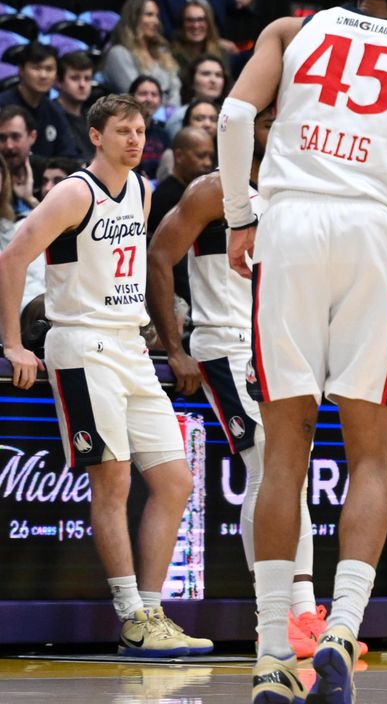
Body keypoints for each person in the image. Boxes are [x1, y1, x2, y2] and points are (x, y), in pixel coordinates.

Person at [217, 0, 387, 702]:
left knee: (284, 449)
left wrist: (238, 214)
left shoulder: (292, 30)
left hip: (287, 228)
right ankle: (340, 630)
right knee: (369, 454)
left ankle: (268, 655)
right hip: (369, 237)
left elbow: (232, 119)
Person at [0, 94, 210, 657]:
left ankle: (153, 611)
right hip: (82, 345)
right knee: (112, 481)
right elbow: (13, 256)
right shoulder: (74, 192)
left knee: (175, 481)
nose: (136, 140)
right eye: (123, 131)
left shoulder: (141, 192)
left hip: (130, 347)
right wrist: (15, 344)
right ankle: (131, 617)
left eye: (141, 130)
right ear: (96, 136)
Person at [146, 104, 332, 659]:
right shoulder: (215, 189)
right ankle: (275, 616)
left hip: (280, 344)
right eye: (272, 120)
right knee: (268, 467)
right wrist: (174, 344)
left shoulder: (299, 189)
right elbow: (158, 255)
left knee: (289, 474)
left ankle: (302, 614)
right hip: (227, 343)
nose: (281, 129)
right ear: (253, 127)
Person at [0, 43, 81, 159]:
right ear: (21, 70)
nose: (43, 75)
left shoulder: (54, 110)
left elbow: (68, 154)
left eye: (49, 69)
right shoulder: (3, 105)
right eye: (36, 68)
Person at [103, 0, 182, 108]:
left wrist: (171, 112)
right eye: (149, 15)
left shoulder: (162, 52)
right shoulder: (119, 54)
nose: (156, 21)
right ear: (133, 18)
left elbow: (175, 88)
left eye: (157, 16)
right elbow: (136, 95)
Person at [0, 155, 46, 315]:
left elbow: (52, 236)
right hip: (20, 308)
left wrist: (29, 199)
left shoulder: (13, 222)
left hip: (38, 298)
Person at [155, 100, 219, 182]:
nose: (207, 124)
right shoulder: (171, 156)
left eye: (213, 119)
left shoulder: (224, 154)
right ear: (187, 123)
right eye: (199, 119)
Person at [0, 106, 45, 216]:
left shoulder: (46, 172)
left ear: (32, 137)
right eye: (2, 138)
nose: (9, 146)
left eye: (15, 137)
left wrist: (30, 199)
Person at [54, 51, 96, 160]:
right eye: (75, 78)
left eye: (87, 78)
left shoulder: (92, 117)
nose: (82, 84)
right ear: (59, 82)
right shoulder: (50, 113)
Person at [170, 1, 233, 69]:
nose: (195, 25)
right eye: (189, 20)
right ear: (181, 25)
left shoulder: (221, 54)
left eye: (201, 20)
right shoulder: (171, 57)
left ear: (209, 24)